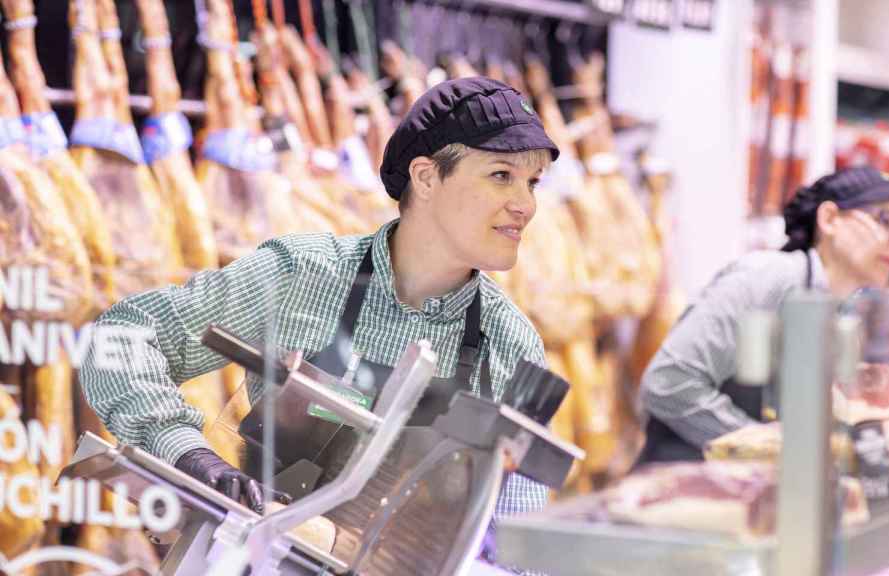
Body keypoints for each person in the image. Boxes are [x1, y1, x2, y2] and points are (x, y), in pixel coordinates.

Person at [79, 77, 558, 524]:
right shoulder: (304, 275)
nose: (526, 204)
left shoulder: (510, 345)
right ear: (426, 177)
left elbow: (513, 534)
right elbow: (120, 336)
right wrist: (188, 452)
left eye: (533, 182)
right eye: (501, 175)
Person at [635, 166, 889, 465]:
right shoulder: (768, 278)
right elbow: (667, 382)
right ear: (830, 219)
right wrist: (761, 448)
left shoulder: (842, 309)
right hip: (683, 488)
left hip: (757, 494)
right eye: (886, 221)